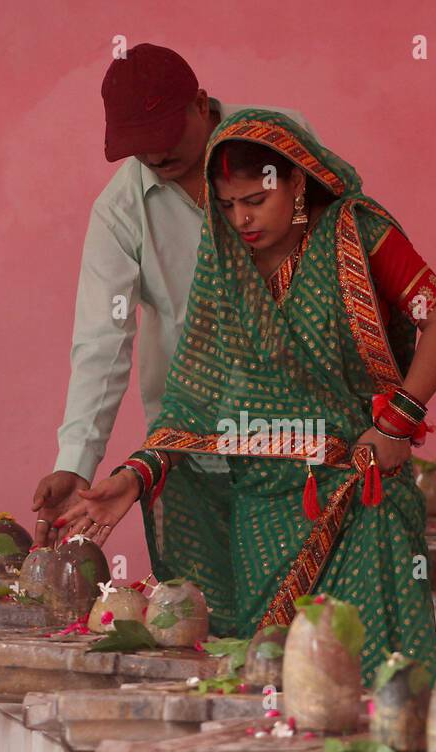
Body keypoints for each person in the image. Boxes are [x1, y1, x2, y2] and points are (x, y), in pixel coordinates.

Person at [60, 109, 436, 680]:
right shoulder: (227, 268)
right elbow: (192, 403)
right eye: (226, 205)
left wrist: (397, 422)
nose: (241, 218)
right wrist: (132, 477)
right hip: (263, 519)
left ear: (297, 181)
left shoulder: (359, 233)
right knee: (272, 686)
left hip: (359, 500)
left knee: (366, 682)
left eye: (255, 199)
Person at [30, 44, 315, 546]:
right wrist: (75, 461)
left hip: (306, 441)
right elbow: (102, 341)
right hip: (191, 453)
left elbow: (345, 257)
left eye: (165, 135)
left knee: (312, 620)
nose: (157, 155)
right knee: (198, 616)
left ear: (200, 104)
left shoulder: (281, 144)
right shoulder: (119, 212)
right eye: (140, 146)